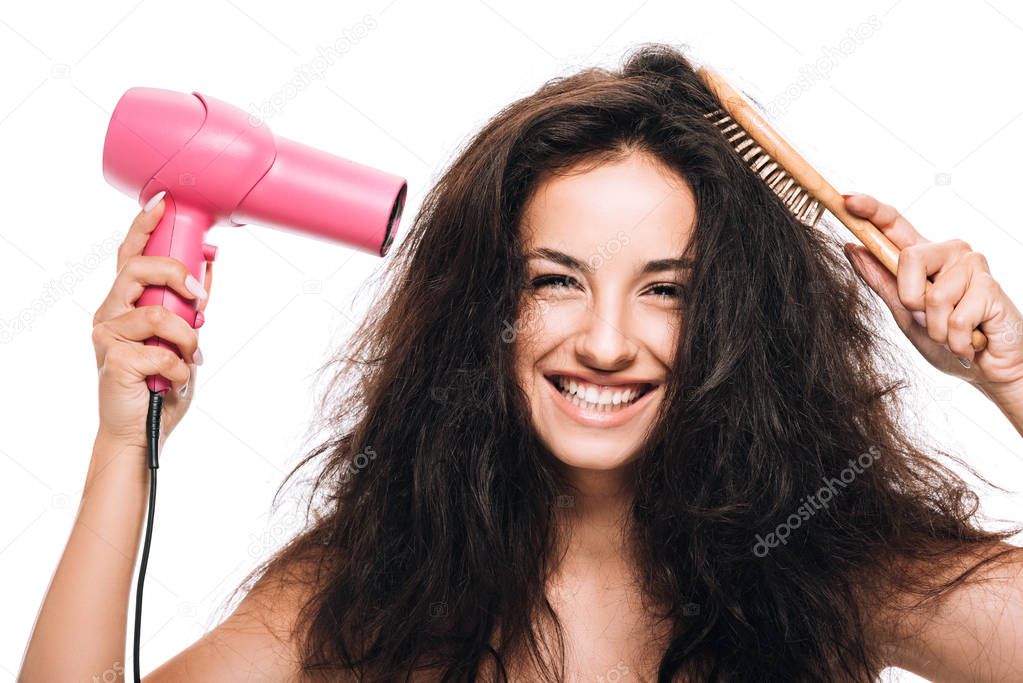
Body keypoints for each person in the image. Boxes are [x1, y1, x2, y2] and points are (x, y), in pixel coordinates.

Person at [20, 43, 1023, 682]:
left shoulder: (829, 564)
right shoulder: (372, 586)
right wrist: (122, 444)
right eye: (555, 280)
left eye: (666, 288)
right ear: (487, 305)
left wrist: (1009, 375)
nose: (604, 339)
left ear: (734, 319)